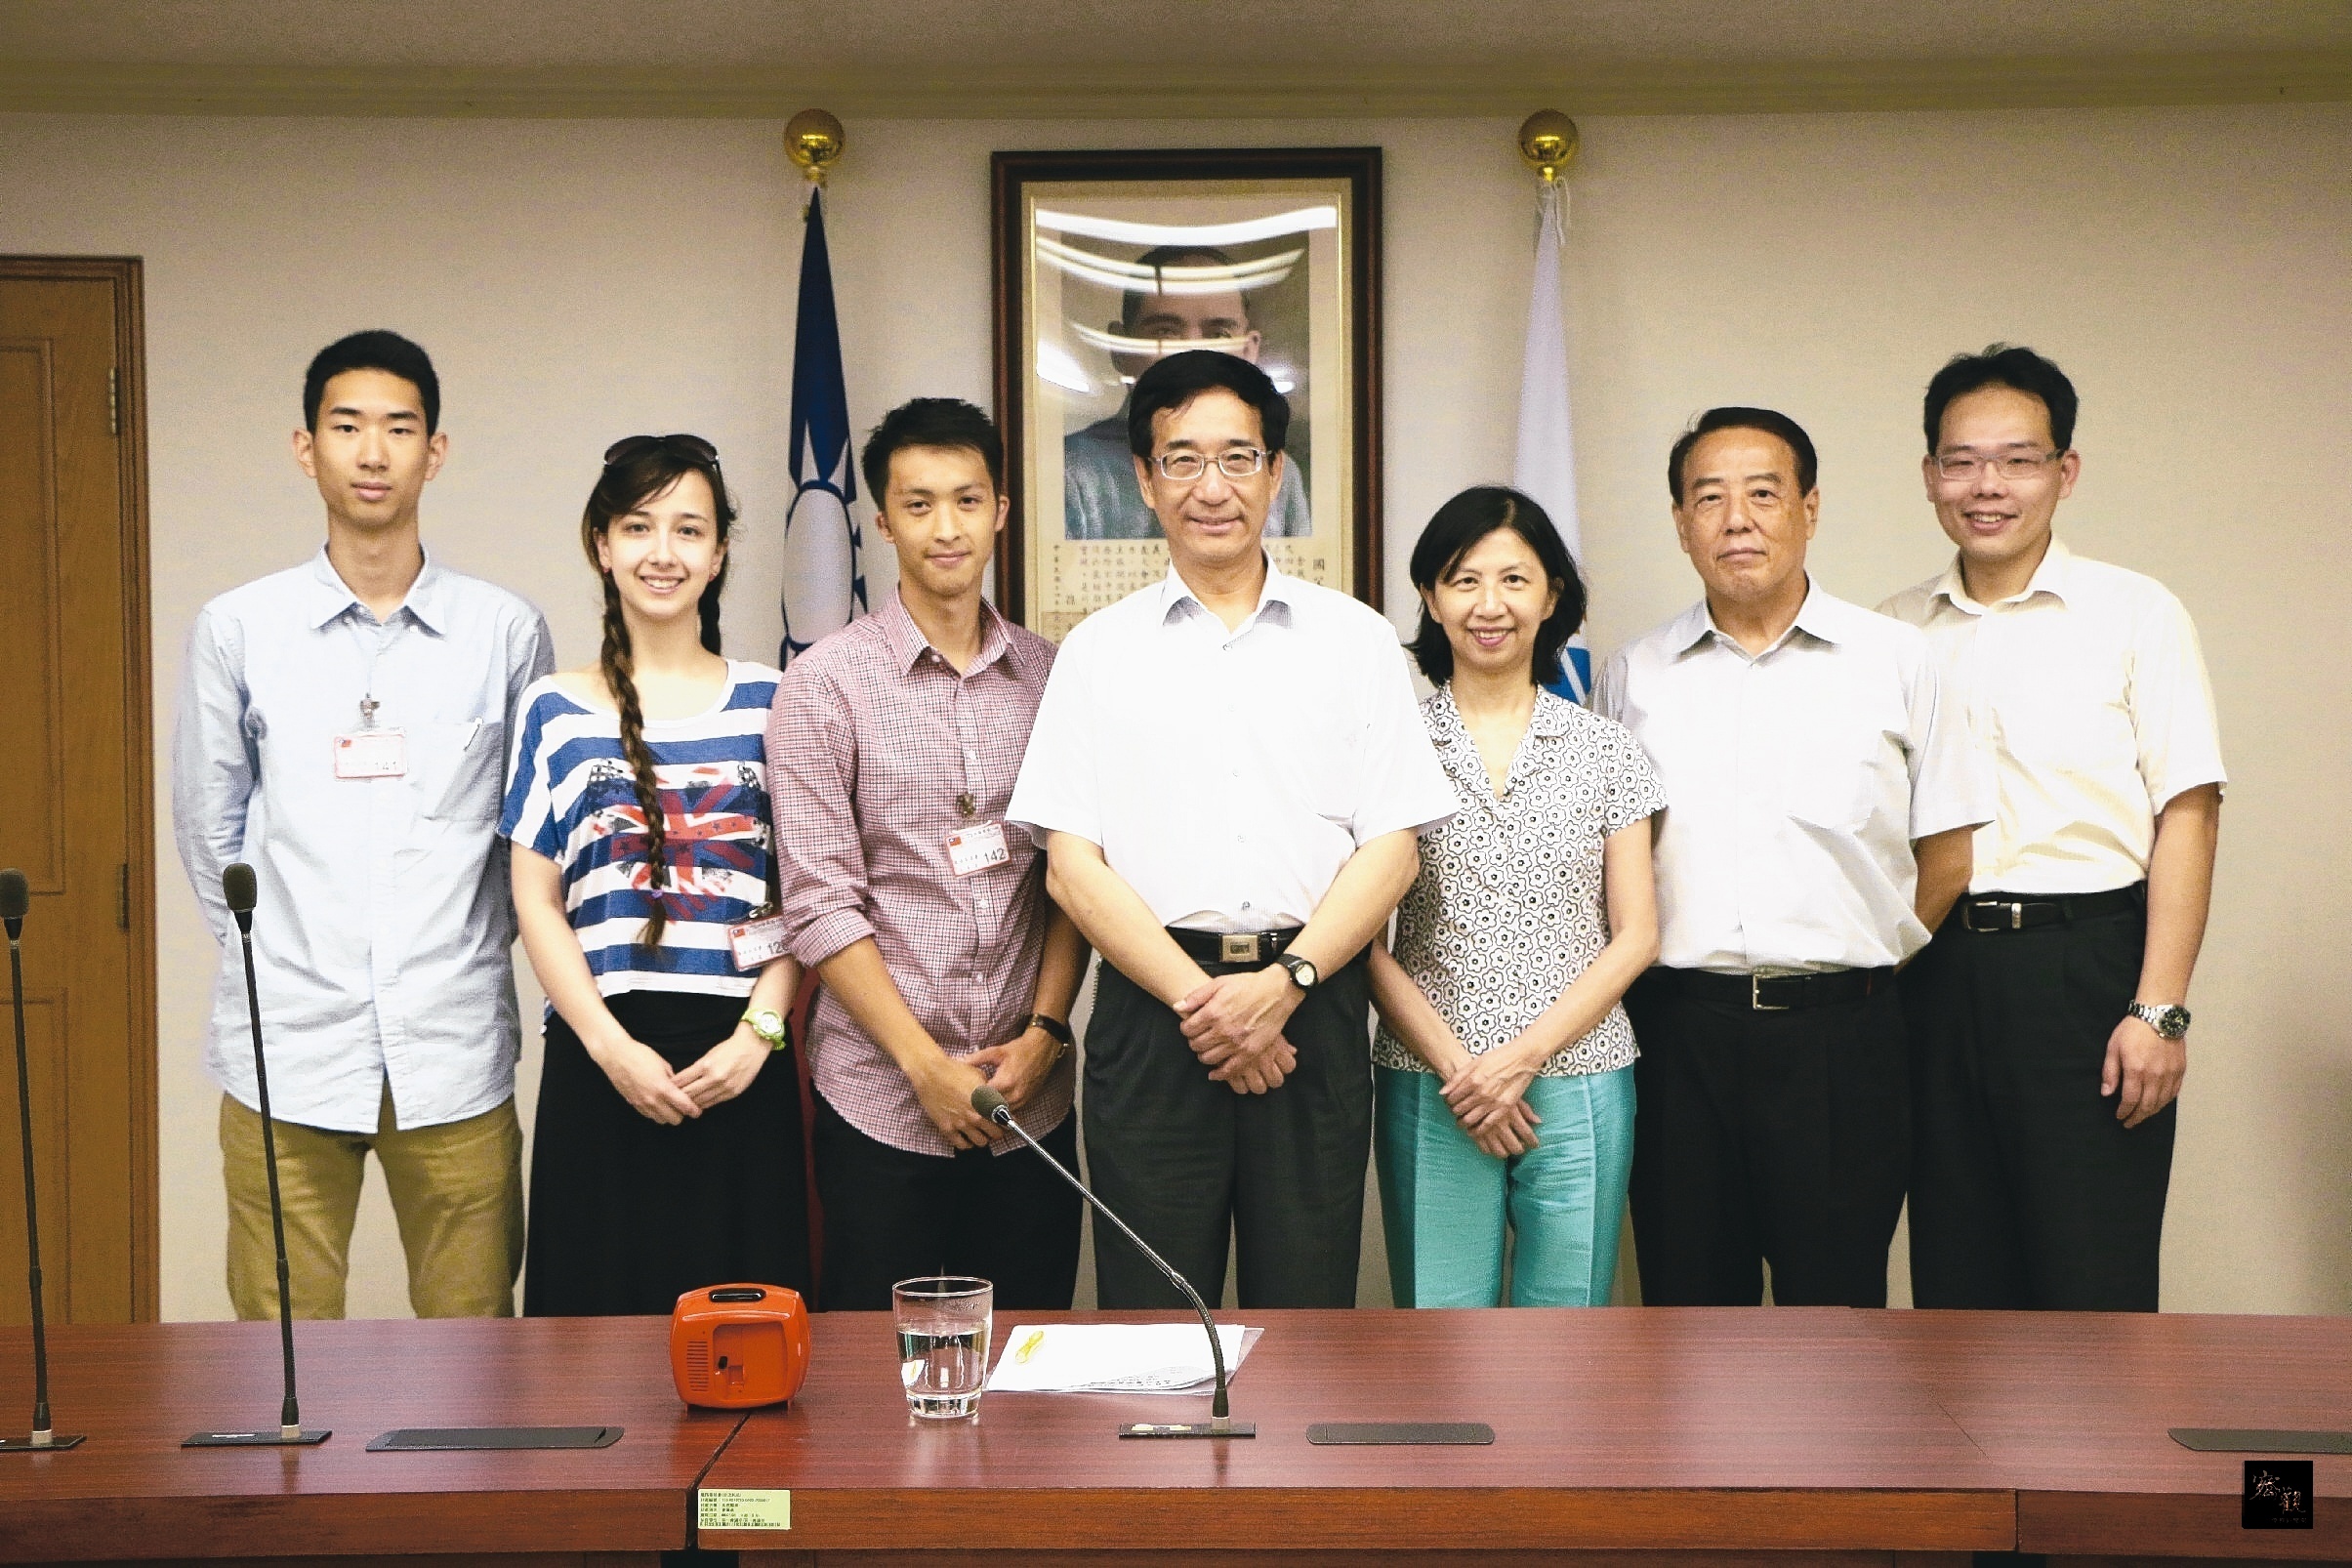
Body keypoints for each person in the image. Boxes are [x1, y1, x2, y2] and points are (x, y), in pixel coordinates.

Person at [1009, 349, 1455, 1309]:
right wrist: (1205, 1005)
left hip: (1313, 1008)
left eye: (1237, 458)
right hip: (1151, 1018)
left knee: (1307, 1321)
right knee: (1154, 1325)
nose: (1211, 487)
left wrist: (1283, 986)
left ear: (1275, 472)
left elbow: (1392, 849)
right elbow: (1072, 869)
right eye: (1182, 460)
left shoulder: (1356, 640)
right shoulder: (1096, 652)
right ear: (1144, 478)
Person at [173, 330, 550, 1320]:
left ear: (436, 450)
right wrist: (279, 958)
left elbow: (524, 840)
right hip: (286, 1045)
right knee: (279, 1350)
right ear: (307, 449)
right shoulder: (238, 627)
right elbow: (210, 833)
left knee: (476, 1348)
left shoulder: (504, 631)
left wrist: (466, 950)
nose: (372, 453)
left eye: (398, 428)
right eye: (346, 427)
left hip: (453, 1042)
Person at [1593, 406, 1988, 1308]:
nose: (1736, 519)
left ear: (1809, 508)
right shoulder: (1633, 674)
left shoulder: (1896, 659)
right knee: (1689, 1315)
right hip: (1677, 1035)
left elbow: (1948, 856)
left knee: (1837, 1321)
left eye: (1763, 494)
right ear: (1680, 523)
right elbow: (1607, 867)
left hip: (1842, 1041)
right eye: (1709, 498)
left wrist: (1859, 968)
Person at [1879, 347, 2224, 1312]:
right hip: (1934, 975)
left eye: (2017, 460)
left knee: (2091, 1283)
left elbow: (2188, 811)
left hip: (2086, 971)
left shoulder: (2135, 613)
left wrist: (2160, 1010)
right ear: (1930, 476)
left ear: (2063, 472)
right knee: (1956, 1284)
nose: (1986, 485)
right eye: (1961, 461)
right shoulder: (1891, 633)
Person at [769, 398, 1090, 1311]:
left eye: (966, 500)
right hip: (883, 1099)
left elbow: (1073, 879)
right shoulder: (824, 684)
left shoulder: (1054, 678)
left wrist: (1046, 1035)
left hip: (1029, 1097)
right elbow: (820, 903)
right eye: (918, 505)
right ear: (882, 522)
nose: (945, 528)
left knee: (1028, 1361)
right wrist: (924, 1068)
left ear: (1000, 510)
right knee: (879, 1372)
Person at [500, 433, 809, 1316]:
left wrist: (759, 1036)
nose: (662, 552)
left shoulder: (775, 700)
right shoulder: (553, 708)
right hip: (600, 1061)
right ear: (601, 545)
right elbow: (534, 898)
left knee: (749, 1342)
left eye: (688, 529)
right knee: (589, 1355)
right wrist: (610, 1049)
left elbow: (807, 893)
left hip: (739, 1061)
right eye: (638, 527)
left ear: (719, 554)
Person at [1369, 487, 1664, 1307]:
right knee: (1440, 1332)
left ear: (1551, 595)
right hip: (1433, 1078)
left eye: (1513, 580)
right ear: (1430, 597)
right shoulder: (1390, 749)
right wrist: (1462, 1073)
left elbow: (1637, 934)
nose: (1489, 605)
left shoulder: (1607, 750)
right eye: (1463, 581)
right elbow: (1360, 940)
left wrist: (1523, 1058)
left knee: (1567, 1331)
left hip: (1578, 1073)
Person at [1063, 245, 1312, 541]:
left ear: (1248, 351)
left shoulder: (1278, 475)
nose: (1193, 352)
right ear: (1120, 348)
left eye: (1218, 335)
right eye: (1165, 332)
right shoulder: (1071, 470)